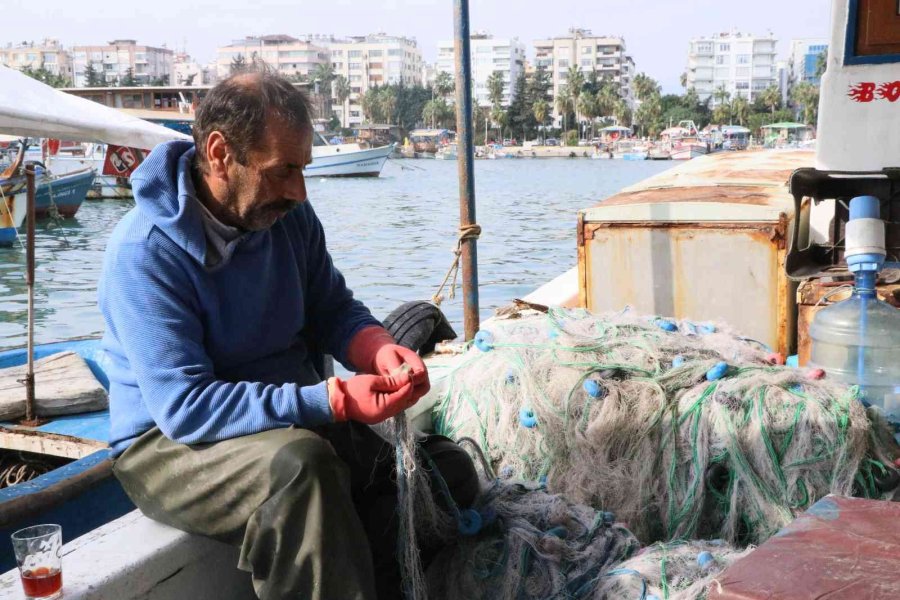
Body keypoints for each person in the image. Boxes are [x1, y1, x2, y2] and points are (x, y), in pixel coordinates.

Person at [99, 71, 478, 600]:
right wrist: (336, 398)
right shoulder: (144, 253)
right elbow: (184, 407)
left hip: (288, 417)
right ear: (219, 153)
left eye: (303, 170)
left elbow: (332, 308)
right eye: (284, 171)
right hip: (166, 444)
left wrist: (376, 348)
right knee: (304, 470)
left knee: (447, 475)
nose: (298, 191)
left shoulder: (288, 219)